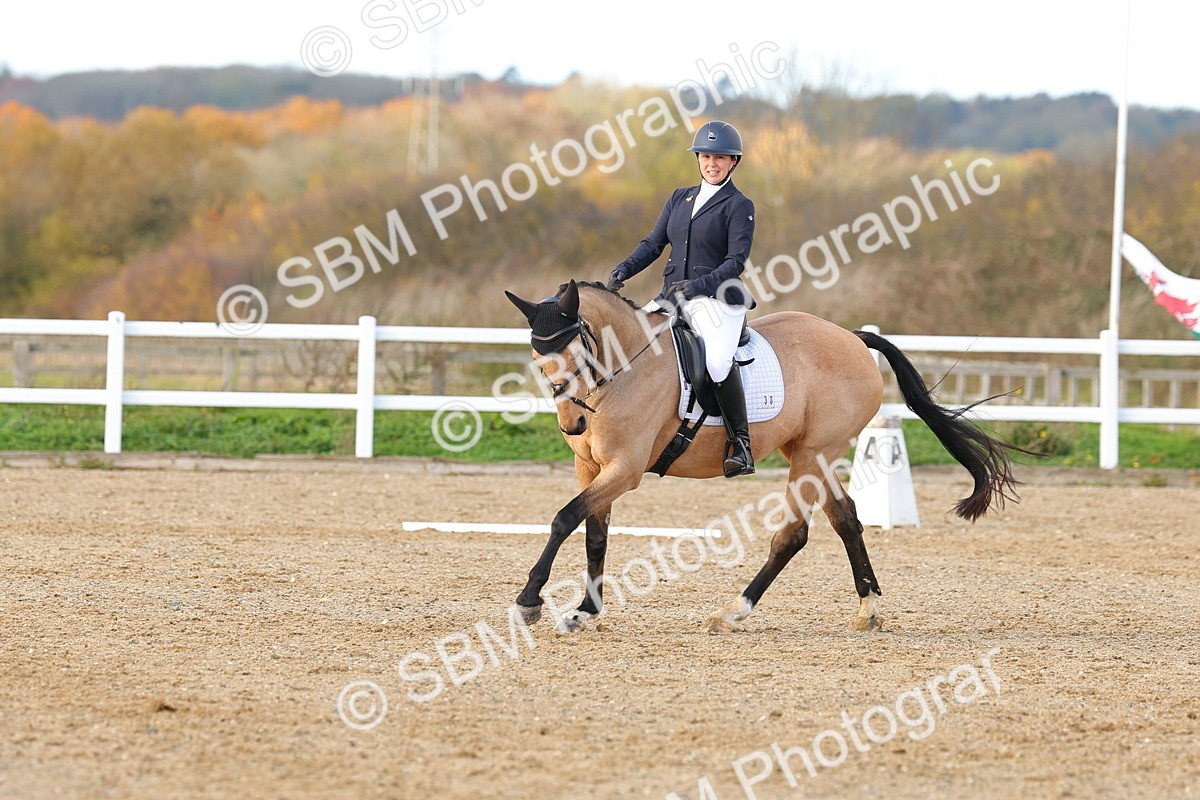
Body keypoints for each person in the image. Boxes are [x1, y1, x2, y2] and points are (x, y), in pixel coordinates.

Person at [607, 120, 756, 478]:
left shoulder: (739, 205)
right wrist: (624, 270)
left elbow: (736, 262)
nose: (711, 163)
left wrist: (698, 285)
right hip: (673, 296)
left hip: (718, 298)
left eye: (719, 158)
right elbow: (653, 244)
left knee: (718, 363)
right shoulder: (679, 198)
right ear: (698, 159)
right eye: (706, 156)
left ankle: (742, 444)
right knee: (635, 345)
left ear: (733, 161)